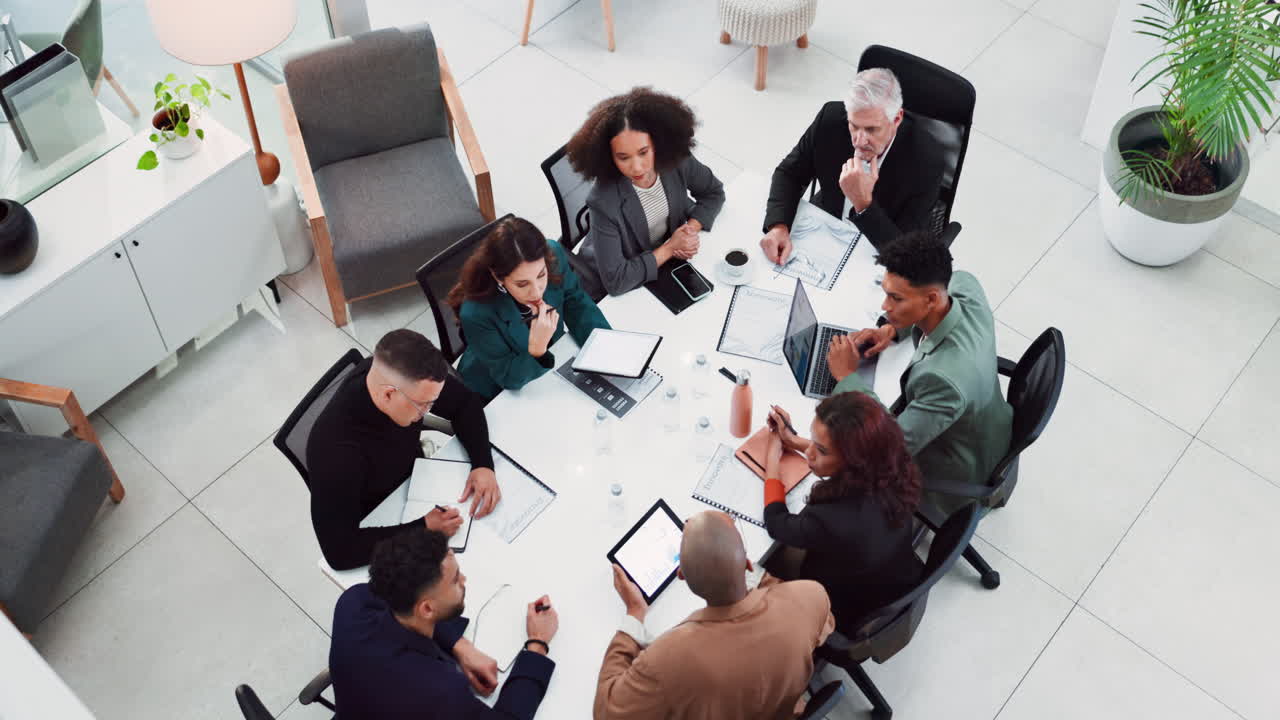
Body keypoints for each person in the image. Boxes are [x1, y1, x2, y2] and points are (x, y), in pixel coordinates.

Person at [826, 231, 1011, 517]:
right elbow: (956, 283)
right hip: (989, 424)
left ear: (931, 299)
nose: (884, 307)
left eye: (896, 298)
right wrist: (891, 329)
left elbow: (888, 448)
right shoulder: (965, 287)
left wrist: (848, 377)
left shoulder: (943, 380)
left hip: (957, 472)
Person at [595, 511, 834, 719]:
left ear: (682, 576)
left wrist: (634, 613)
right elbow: (823, 627)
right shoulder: (809, 595)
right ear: (749, 564)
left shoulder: (668, 658)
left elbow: (607, 713)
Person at [307, 329, 502, 571]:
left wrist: (483, 463)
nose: (429, 410)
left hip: (418, 483)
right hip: (381, 521)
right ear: (389, 394)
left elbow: (464, 403)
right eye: (424, 405)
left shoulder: (408, 383)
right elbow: (339, 552)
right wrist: (423, 529)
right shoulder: (335, 452)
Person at [329, 529, 560, 718]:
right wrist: (537, 645)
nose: (464, 580)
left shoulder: (352, 605)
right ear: (427, 608)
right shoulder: (441, 693)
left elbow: (388, 600)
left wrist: (461, 646)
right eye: (455, 580)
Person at [761, 393, 923, 629]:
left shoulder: (831, 519)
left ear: (854, 461)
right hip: (891, 578)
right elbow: (837, 455)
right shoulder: (894, 466)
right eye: (813, 441)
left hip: (841, 607)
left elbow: (776, 523)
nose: (810, 453)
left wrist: (772, 457)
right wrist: (793, 440)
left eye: (821, 450)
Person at [761, 67, 944, 263]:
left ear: (896, 119)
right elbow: (789, 173)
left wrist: (863, 203)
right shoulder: (830, 118)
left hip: (878, 251)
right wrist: (778, 226)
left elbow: (907, 255)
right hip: (825, 230)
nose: (860, 140)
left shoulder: (926, 160)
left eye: (872, 129)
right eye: (854, 126)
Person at [568, 87, 726, 297]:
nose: (637, 167)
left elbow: (713, 192)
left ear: (658, 144)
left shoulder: (676, 160)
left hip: (662, 262)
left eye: (643, 152)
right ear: (609, 157)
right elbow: (616, 281)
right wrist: (670, 248)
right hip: (618, 280)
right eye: (623, 157)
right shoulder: (602, 201)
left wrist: (689, 230)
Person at [450, 216, 611, 400]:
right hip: (498, 389)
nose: (536, 292)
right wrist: (537, 350)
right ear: (498, 277)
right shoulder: (475, 313)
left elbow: (576, 302)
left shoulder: (554, 254)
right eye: (522, 284)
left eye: (541, 275)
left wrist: (602, 345)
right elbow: (508, 377)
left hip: (548, 367)